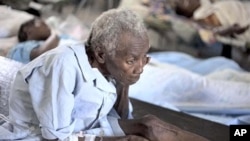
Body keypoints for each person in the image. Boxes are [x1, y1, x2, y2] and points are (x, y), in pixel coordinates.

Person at [0, 9, 208, 141]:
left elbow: (121, 116)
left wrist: (124, 82)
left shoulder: (107, 66)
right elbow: (56, 137)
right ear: (101, 54)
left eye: (144, 57)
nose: (141, 67)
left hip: (84, 126)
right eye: (132, 60)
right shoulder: (64, 64)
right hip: (40, 136)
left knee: (150, 125)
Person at [192, 0, 250, 70]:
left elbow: (241, 26)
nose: (207, 22)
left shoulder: (223, 8)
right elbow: (235, 41)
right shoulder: (215, 32)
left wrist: (231, 30)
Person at [7, 17, 77, 64]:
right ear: (28, 31)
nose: (46, 25)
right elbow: (41, 55)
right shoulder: (21, 47)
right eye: (42, 23)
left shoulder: (61, 37)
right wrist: (54, 34)